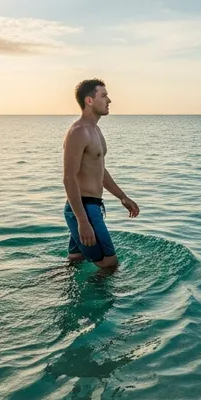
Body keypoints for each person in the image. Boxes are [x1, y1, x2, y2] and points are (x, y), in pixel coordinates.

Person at [62, 79, 139, 272]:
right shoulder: (78, 132)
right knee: (109, 264)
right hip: (83, 208)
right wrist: (83, 221)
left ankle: (57, 287)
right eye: (103, 96)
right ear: (89, 100)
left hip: (91, 206)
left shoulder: (96, 130)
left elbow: (100, 171)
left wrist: (122, 197)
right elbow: (69, 178)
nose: (109, 100)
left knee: (76, 260)